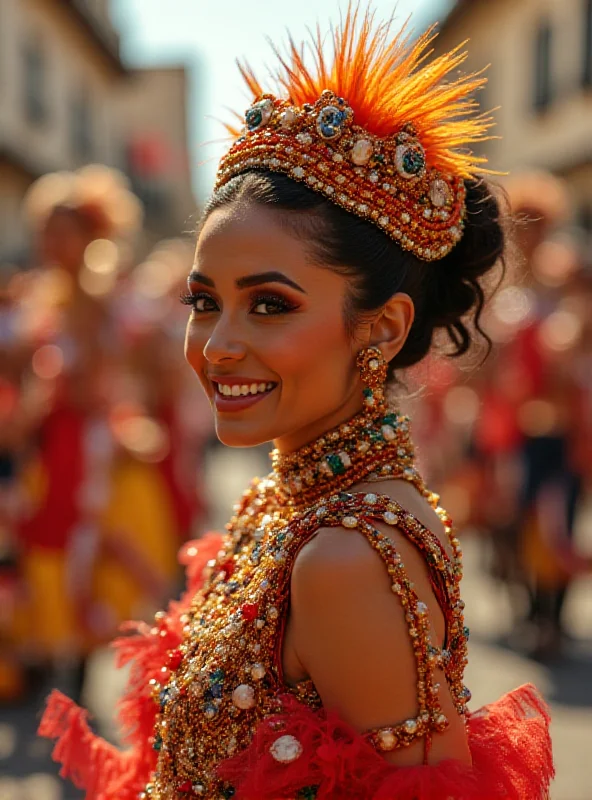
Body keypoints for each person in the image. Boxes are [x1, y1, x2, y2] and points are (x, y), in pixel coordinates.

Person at [39, 8, 554, 799]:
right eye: (204, 301)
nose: (215, 345)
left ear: (379, 328)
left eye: (270, 305)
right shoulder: (291, 504)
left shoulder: (347, 556)